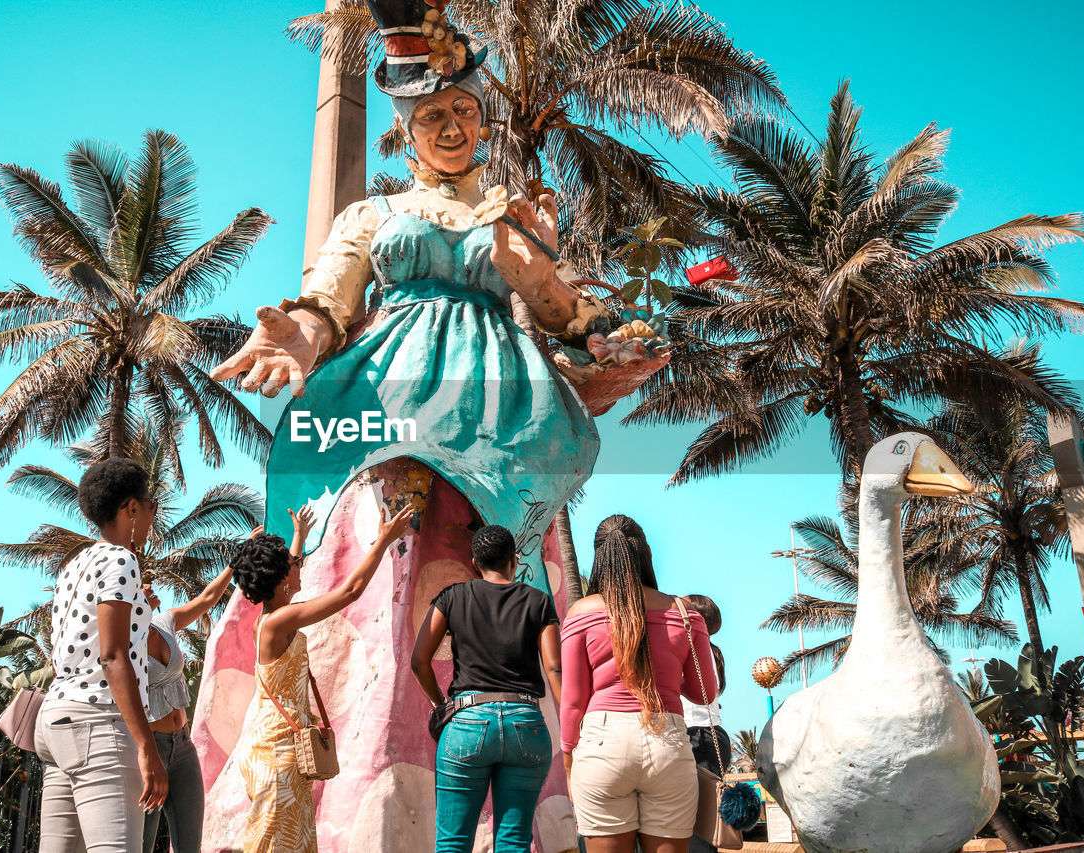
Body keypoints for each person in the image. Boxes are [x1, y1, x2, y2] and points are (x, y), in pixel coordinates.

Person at [194, 3, 665, 848]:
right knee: (382, 566)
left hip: (504, 423)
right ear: (407, 134)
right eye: (434, 117)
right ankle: (370, 795)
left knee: (505, 561)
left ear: (484, 125)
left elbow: (565, 312)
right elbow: (326, 307)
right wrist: (294, 335)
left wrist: (610, 339)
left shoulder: (511, 219)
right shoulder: (371, 218)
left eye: (466, 113)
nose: (454, 127)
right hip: (389, 401)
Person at [228, 502, 415, 853]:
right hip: (277, 752)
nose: (300, 568)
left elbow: (288, 573)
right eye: (296, 565)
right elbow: (350, 592)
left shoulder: (274, 615)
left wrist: (299, 537)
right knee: (276, 845)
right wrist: (383, 540)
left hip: (280, 746)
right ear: (283, 579)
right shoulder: (280, 621)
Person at [560, 515, 718, 853]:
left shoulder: (581, 613)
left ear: (598, 556)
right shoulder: (686, 614)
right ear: (646, 552)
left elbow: (573, 701)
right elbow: (704, 693)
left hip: (602, 746)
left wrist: (568, 761)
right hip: (668, 742)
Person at [35, 458, 168, 853]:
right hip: (99, 723)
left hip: (56, 722)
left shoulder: (74, 564)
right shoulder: (121, 559)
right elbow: (113, 656)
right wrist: (147, 746)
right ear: (130, 508)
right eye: (151, 506)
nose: (151, 515)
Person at [410, 525, 563, 853]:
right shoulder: (538, 601)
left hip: (467, 720)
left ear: (475, 562)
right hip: (526, 723)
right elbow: (553, 668)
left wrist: (443, 705)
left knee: (453, 843)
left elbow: (419, 660)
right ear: (514, 560)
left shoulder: (451, 597)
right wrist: (573, 731)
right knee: (514, 842)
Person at [138, 517, 286, 853]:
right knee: (141, 844)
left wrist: (237, 560)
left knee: (191, 843)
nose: (149, 587)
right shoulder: (122, 646)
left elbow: (207, 598)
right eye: (140, 587)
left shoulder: (164, 623)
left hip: (182, 744)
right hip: (150, 747)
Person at [677, 596, 730, 853]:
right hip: (707, 735)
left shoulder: (693, 645)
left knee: (698, 829)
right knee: (703, 825)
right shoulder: (709, 648)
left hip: (698, 734)